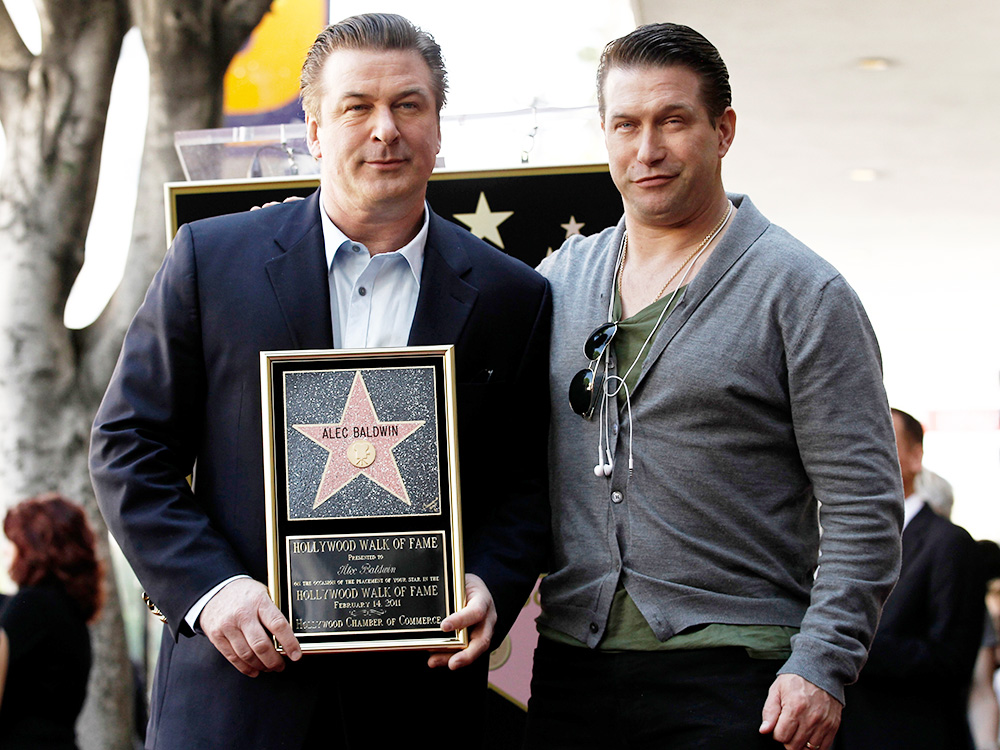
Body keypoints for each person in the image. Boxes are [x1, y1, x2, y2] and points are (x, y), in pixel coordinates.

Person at [89, 13, 550, 750]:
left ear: (437, 126)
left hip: (419, 706)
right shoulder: (211, 261)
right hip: (239, 696)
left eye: (408, 105)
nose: (385, 130)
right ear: (313, 127)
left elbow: (526, 482)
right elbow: (127, 448)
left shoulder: (511, 296)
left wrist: (491, 582)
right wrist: (212, 591)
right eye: (356, 107)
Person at [527, 23, 903, 750]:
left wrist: (822, 664)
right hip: (574, 669)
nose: (648, 150)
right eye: (626, 125)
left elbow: (865, 504)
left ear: (722, 129)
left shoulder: (802, 291)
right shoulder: (558, 280)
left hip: (741, 677)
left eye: (673, 120)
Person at [836, 409, 986, 749]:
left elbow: (951, 659)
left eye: (880, 438)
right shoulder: (839, 541)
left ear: (915, 456)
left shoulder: (948, 543)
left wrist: (839, 643)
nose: (863, 451)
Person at [0, 493, 103, 750]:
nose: (6, 552)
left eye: (13, 542)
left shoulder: (35, 605)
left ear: (32, 548)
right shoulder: (64, 606)